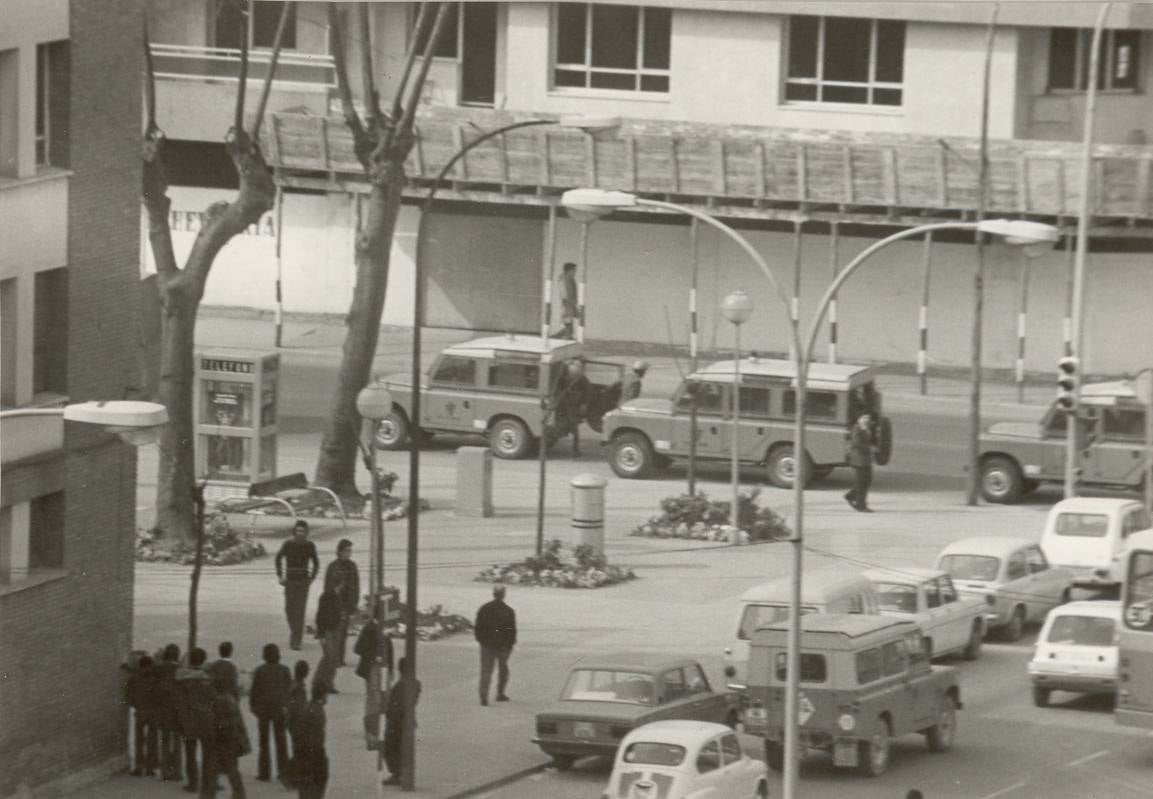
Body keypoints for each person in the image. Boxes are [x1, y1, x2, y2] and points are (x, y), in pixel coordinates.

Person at [249, 643, 292, 785]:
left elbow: (254, 692)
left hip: (264, 710)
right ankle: (284, 771)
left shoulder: (260, 671)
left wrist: (254, 708)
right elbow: (289, 691)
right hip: (279, 709)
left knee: (264, 742)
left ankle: (264, 772)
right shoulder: (285, 670)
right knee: (281, 741)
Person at [176, 647, 217, 796]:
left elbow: (178, 701)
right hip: (206, 720)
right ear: (203, 660)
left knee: (190, 753)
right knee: (209, 754)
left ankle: (193, 783)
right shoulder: (208, 679)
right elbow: (214, 699)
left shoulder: (181, 679)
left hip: (189, 721)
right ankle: (208, 783)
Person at [276, 521, 320, 651]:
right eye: (298, 531)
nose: (300, 534)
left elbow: (316, 563)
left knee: (299, 612)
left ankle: (296, 641)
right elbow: (278, 558)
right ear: (294, 532)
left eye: (303, 531)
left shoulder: (310, 545)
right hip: (289, 582)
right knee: (289, 610)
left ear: (307, 533)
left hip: (303, 583)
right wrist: (280, 575)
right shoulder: (288, 544)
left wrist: (311, 578)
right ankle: (295, 632)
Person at [208, 674, 250, 798]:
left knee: (213, 770)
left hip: (223, 740)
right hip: (232, 740)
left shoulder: (220, 701)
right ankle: (239, 794)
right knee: (232, 770)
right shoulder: (230, 700)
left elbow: (224, 723)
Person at [475, 585, 517, 706]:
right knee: (503, 670)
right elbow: (511, 630)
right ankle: (500, 693)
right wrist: (510, 644)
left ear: (493, 594)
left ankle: (483, 697)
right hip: (503, 646)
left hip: (487, 645)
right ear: (504, 595)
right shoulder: (508, 611)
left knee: (486, 671)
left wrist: (481, 640)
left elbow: (478, 627)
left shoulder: (484, 608)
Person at [382, 657, 421, 787]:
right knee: (402, 748)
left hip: (396, 722)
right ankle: (402, 773)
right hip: (407, 722)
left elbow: (395, 707)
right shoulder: (416, 683)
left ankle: (397, 774)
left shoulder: (400, 686)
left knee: (391, 748)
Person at [323, 539, 360, 668]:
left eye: (350, 551)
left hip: (345, 604)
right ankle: (336, 658)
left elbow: (356, 587)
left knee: (342, 632)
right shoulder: (332, 567)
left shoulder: (352, 567)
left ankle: (339, 658)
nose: (349, 553)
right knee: (335, 631)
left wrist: (353, 604)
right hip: (333, 604)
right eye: (347, 550)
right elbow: (326, 586)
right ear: (339, 551)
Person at [126, 654, 161, 777]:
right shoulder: (155, 679)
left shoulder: (133, 679)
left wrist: (135, 705)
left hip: (140, 711)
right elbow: (159, 697)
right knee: (152, 740)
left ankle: (139, 767)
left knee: (139, 740)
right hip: (153, 712)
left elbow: (128, 696)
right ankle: (150, 768)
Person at [293, 684, 329, 799]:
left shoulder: (307, 707)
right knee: (318, 783)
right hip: (314, 752)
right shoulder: (318, 710)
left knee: (306, 785)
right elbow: (318, 736)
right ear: (322, 696)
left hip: (304, 752)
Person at [156, 643, 184, 781]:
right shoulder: (180, 669)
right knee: (178, 741)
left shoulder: (160, 668)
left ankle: (165, 772)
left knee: (165, 741)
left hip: (163, 709)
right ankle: (177, 772)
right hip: (178, 710)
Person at [313, 581, 344, 695]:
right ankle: (322, 682)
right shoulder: (327, 596)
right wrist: (320, 633)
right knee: (329, 656)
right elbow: (320, 615)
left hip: (335, 629)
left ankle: (326, 682)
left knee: (332, 657)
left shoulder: (337, 596)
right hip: (327, 630)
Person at [285, 660, 311, 788]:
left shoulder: (293, 685)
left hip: (293, 723)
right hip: (298, 724)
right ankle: (289, 776)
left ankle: (290, 775)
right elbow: (299, 708)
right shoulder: (300, 689)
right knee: (300, 750)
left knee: (298, 750)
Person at [845, 412, 875, 513]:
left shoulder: (866, 429)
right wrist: (869, 448)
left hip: (866, 461)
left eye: (868, 419)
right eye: (865, 419)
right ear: (859, 419)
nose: (867, 421)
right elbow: (856, 443)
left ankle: (850, 496)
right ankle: (861, 505)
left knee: (867, 481)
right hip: (859, 461)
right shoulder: (857, 429)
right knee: (862, 483)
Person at [556, 261, 578, 339]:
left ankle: (565, 337)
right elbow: (564, 294)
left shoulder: (571, 279)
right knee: (568, 327)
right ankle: (555, 338)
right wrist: (571, 303)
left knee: (569, 327)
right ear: (569, 270)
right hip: (567, 304)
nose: (575, 272)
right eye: (574, 270)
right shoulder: (563, 279)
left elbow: (574, 292)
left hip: (570, 304)